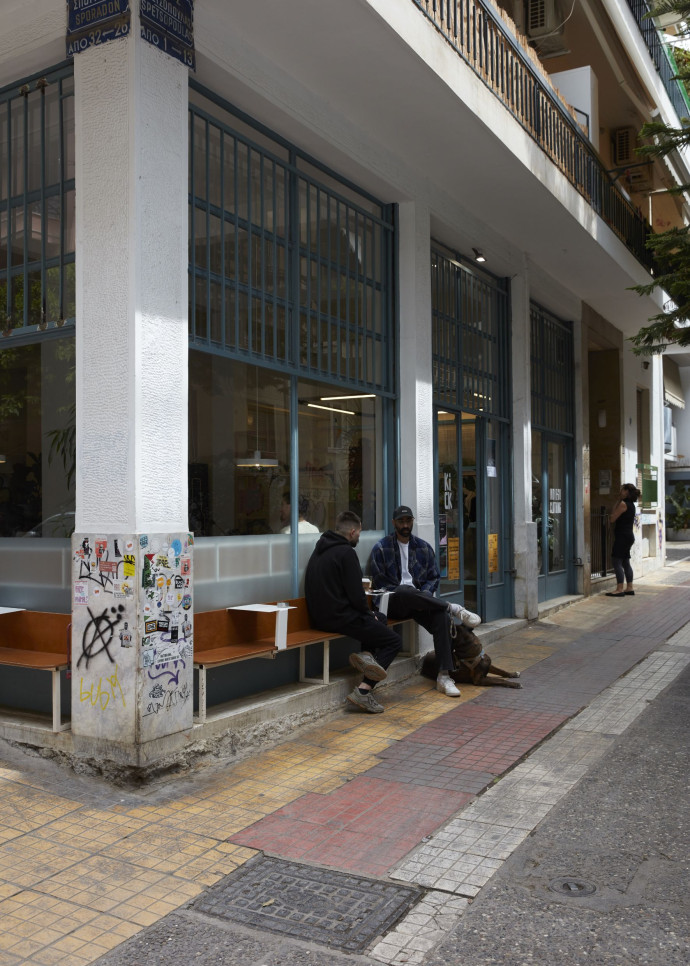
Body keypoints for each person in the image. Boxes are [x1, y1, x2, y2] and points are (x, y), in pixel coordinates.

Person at [369, 505, 481, 697]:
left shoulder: (423, 547)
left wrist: (426, 593)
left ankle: (444, 676)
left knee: (442, 620)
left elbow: (433, 577)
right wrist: (413, 593)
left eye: (408, 521)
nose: (405, 525)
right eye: (401, 521)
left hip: (421, 603)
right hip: (394, 603)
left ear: (412, 521)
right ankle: (452, 607)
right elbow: (381, 582)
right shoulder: (381, 548)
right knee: (405, 590)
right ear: (394, 523)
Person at [305, 510, 402, 713]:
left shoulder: (320, 550)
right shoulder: (347, 552)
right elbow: (357, 595)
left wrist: (371, 616)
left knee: (380, 619)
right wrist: (368, 614)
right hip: (341, 617)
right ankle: (364, 691)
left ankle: (367, 656)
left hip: (320, 617)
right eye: (359, 532)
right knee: (393, 641)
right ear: (352, 531)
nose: (359, 536)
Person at [606, 483, 640, 598]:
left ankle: (619, 589)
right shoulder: (631, 505)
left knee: (616, 561)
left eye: (622, 490)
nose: (620, 492)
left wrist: (617, 501)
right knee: (625, 561)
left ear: (626, 491)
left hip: (622, 537)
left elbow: (612, 518)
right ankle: (629, 587)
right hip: (628, 536)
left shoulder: (623, 504)